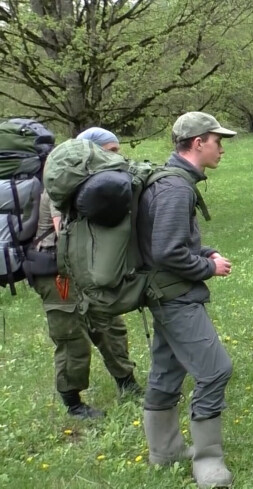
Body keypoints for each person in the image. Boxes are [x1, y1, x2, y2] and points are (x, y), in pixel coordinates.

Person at [138, 112, 236, 487]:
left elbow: (168, 242)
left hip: (163, 292)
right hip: (174, 295)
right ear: (198, 143)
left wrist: (204, 251)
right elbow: (166, 252)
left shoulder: (172, 180)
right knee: (215, 370)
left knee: (167, 368)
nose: (222, 149)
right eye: (217, 141)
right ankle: (208, 461)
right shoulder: (176, 187)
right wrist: (208, 268)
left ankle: (165, 452)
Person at [32, 127, 142, 420]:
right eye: (111, 151)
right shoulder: (60, 186)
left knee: (109, 323)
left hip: (85, 266)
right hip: (57, 272)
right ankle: (73, 402)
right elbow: (63, 232)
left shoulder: (97, 183)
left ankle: (127, 383)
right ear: (90, 152)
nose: (117, 157)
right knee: (71, 335)